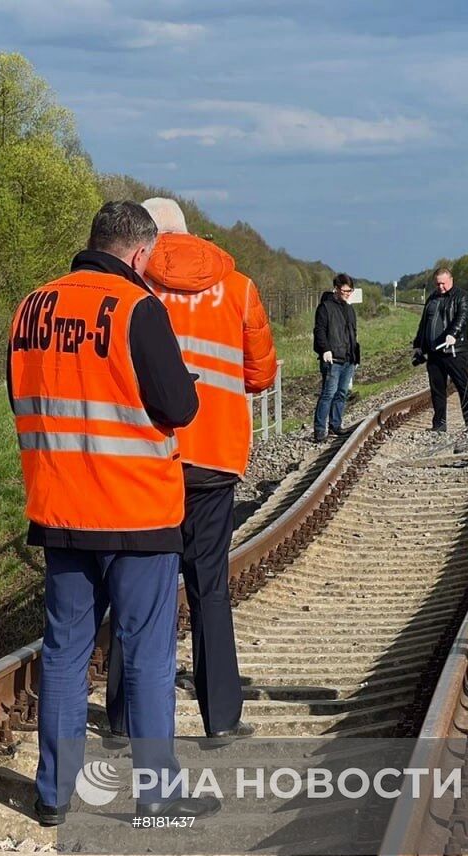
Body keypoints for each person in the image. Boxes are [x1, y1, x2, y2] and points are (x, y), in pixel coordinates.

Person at [8, 201, 219, 825]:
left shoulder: (31, 307)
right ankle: (157, 794)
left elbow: (24, 393)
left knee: (66, 653)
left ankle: (54, 794)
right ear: (140, 253)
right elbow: (178, 406)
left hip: (62, 512)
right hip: (137, 513)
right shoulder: (137, 309)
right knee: (148, 654)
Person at [102, 197, 277, 744]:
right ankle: (221, 717)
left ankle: (125, 719)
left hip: (149, 455)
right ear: (191, 232)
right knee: (210, 588)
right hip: (216, 457)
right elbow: (261, 373)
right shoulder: (240, 286)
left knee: (137, 585)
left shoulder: (131, 285)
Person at [414, 268, 468, 437]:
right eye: (438, 283)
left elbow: (462, 318)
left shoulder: (462, 297)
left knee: (463, 387)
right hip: (434, 352)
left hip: (454, 352)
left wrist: (453, 334)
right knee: (437, 389)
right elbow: (424, 323)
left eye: (443, 283)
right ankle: (439, 425)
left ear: (451, 280)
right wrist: (418, 344)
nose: (441, 286)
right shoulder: (432, 298)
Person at [313, 274, 360, 440]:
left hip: (348, 358)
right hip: (332, 359)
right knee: (328, 393)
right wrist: (325, 349)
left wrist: (356, 357)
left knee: (341, 393)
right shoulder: (325, 308)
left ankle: (335, 425)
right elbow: (319, 331)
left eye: (350, 291)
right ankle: (319, 430)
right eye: (345, 290)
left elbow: (352, 334)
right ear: (336, 289)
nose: (348, 293)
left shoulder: (349, 309)